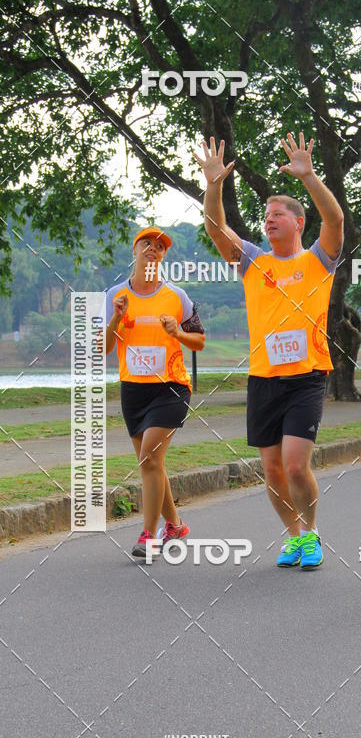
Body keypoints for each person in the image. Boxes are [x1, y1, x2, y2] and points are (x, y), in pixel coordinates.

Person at [195, 132, 344, 569]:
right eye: (265, 215)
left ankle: (313, 534)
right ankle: (294, 536)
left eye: (278, 214)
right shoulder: (254, 262)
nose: (269, 220)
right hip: (263, 378)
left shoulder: (318, 260)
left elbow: (334, 221)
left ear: (298, 222)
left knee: (296, 465)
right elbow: (216, 230)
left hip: (307, 376)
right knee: (273, 471)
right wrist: (213, 185)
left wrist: (310, 176)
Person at [105, 227, 206, 557]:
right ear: (134, 251)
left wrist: (177, 332)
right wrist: (115, 321)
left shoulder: (177, 296)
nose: (153, 249)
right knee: (152, 464)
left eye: (160, 247)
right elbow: (102, 349)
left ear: (163, 257)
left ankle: (148, 536)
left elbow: (200, 341)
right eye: (146, 243)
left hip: (172, 388)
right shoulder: (116, 296)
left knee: (149, 458)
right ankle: (175, 525)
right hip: (133, 391)